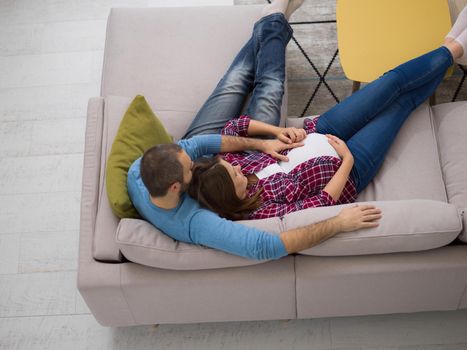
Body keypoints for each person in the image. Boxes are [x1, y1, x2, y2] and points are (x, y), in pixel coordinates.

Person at [127, 0, 383, 261]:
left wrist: (263, 145)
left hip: (228, 165)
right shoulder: (195, 223)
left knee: (233, 83)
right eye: (189, 168)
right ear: (174, 188)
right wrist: (338, 223)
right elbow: (266, 247)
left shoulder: (138, 172)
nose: (192, 160)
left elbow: (198, 146)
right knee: (268, 91)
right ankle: (273, 19)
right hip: (227, 182)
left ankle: (272, 19)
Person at [189, 7, 467, 221]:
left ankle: (452, 48)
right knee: (402, 104)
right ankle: (455, 46)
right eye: (235, 176)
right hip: (352, 165)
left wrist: (275, 134)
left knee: (389, 83)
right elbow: (320, 203)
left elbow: (234, 127)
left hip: (319, 129)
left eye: (232, 166)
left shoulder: (230, 167)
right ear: (231, 198)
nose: (238, 168)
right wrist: (346, 159)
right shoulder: (259, 212)